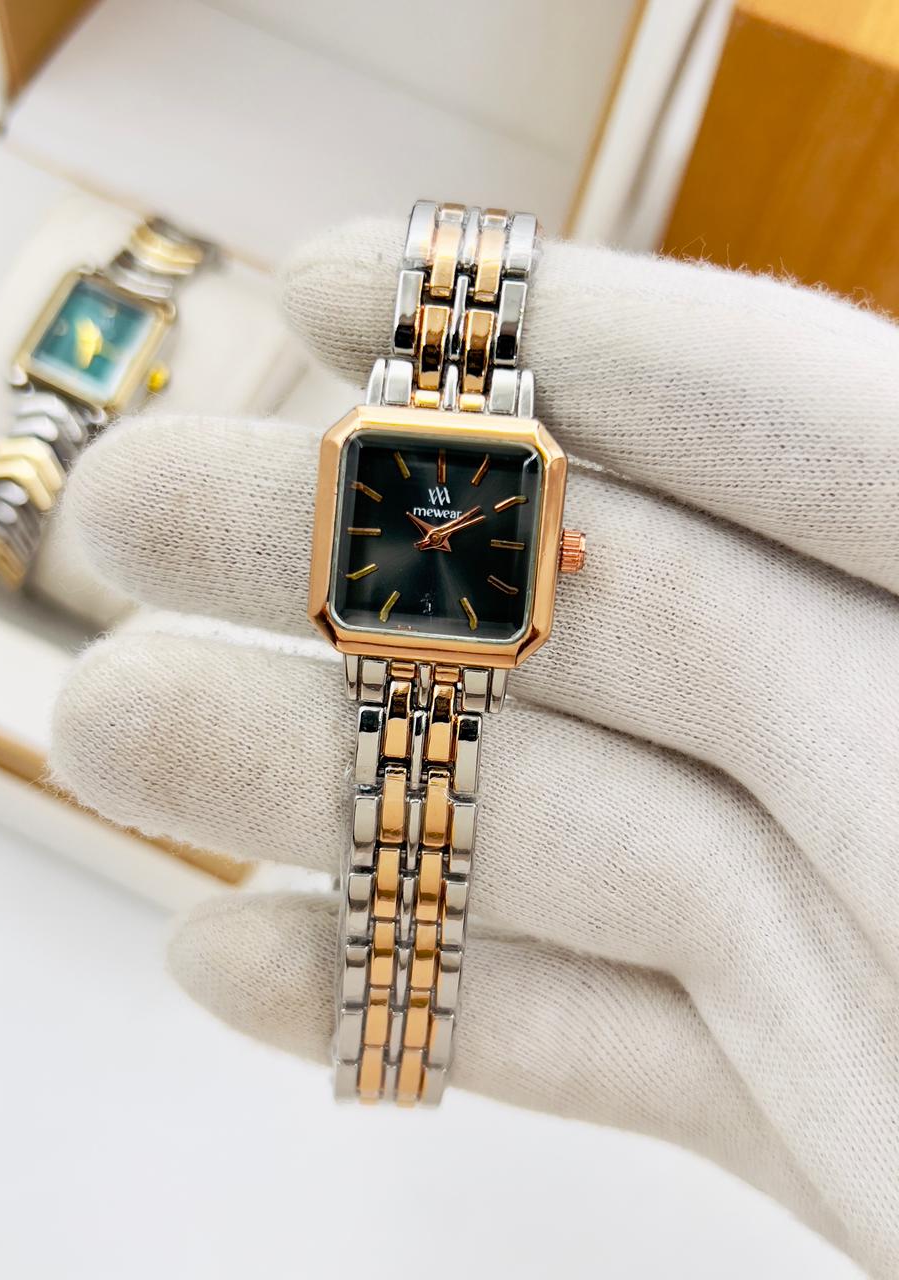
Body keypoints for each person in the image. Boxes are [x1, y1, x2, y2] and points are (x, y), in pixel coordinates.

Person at [50, 218, 899, 1277]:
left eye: (453, 530)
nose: (439, 533)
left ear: (558, 549)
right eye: (431, 529)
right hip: (398, 649)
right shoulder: (410, 502)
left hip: (441, 650)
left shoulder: (496, 524)